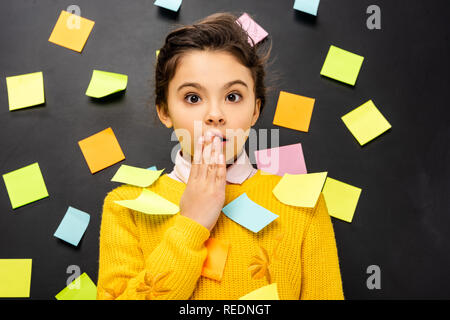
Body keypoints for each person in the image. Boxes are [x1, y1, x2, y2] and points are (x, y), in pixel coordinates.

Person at [96, 12, 344, 300]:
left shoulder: (305, 207)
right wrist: (192, 224)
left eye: (233, 96)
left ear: (254, 110)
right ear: (164, 111)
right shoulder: (125, 207)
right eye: (192, 97)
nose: (214, 115)